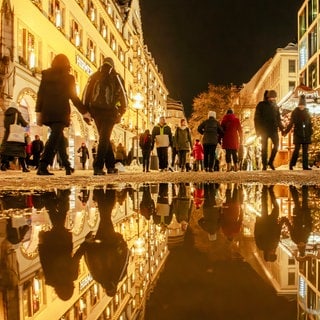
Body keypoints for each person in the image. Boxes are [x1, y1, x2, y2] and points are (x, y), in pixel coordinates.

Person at [35, 54, 91, 175]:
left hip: (48, 111)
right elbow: (74, 97)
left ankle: (67, 166)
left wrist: (38, 111)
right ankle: (43, 165)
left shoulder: (46, 75)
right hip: (60, 112)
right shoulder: (68, 78)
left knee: (59, 138)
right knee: (54, 138)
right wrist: (84, 111)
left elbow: (40, 94)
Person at [82, 57, 127, 175]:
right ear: (113, 65)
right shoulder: (116, 77)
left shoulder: (94, 76)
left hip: (96, 111)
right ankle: (98, 166)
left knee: (104, 137)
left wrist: (85, 111)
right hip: (110, 112)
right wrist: (121, 111)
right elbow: (123, 96)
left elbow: (86, 93)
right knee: (104, 138)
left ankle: (111, 165)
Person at [254, 90, 284, 170]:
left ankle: (270, 162)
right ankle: (264, 165)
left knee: (276, 145)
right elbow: (257, 118)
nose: (273, 99)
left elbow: (278, 119)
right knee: (264, 148)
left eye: (274, 97)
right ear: (268, 97)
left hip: (273, 129)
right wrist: (258, 131)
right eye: (272, 97)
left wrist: (282, 129)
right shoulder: (261, 105)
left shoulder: (276, 106)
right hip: (264, 130)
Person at [283, 95, 313, 170]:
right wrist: (286, 132)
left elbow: (309, 123)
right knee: (296, 150)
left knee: (305, 151)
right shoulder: (295, 112)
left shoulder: (307, 112)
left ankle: (305, 166)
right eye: (300, 105)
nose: (301, 107)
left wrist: (310, 132)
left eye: (303, 105)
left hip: (306, 134)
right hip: (298, 133)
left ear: (305, 105)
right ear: (299, 105)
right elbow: (291, 123)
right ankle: (292, 164)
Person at [0, 101, 29, 172]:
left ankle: (3, 165)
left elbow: (6, 125)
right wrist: (26, 123)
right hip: (16, 136)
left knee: (6, 152)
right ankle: (24, 168)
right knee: (20, 152)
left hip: (8, 136)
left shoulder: (6, 114)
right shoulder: (17, 114)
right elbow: (24, 124)